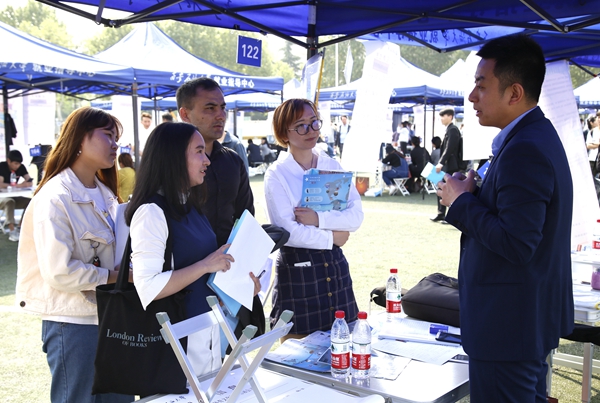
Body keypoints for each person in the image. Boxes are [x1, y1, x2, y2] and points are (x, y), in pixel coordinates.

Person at [437, 34, 574, 402]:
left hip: (508, 327)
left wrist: (460, 202)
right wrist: (474, 194)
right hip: (520, 321)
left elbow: (517, 242)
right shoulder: (531, 137)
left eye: (482, 86)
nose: (472, 97)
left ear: (514, 93)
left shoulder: (525, 149)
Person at [15, 106, 132, 403]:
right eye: (107, 136)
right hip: (74, 324)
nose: (115, 145)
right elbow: (60, 271)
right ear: (81, 138)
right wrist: (115, 277)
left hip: (112, 317)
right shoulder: (55, 197)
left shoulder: (106, 194)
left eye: (116, 138)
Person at [126, 121, 238, 378]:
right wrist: (206, 265)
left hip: (205, 331)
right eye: (198, 152)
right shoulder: (152, 212)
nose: (207, 160)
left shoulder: (190, 204)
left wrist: (235, 286)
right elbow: (148, 287)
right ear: (173, 157)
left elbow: (199, 276)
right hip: (177, 343)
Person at [264, 98, 364, 339]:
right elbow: (288, 232)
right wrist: (333, 238)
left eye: (314, 122)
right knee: (298, 351)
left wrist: (318, 219)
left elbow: (355, 217)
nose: (311, 130)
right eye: (301, 126)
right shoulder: (277, 174)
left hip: (335, 267)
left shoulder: (331, 164)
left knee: (344, 343)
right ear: (284, 133)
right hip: (298, 271)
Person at [176, 77, 254, 247]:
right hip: (185, 262)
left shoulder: (233, 161)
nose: (221, 116)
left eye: (223, 108)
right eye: (210, 108)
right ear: (185, 114)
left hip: (230, 259)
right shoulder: (170, 163)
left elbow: (247, 218)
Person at [431, 108, 461, 223]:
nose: (441, 119)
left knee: (448, 190)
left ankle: (448, 215)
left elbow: (450, 148)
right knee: (441, 187)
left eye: (443, 116)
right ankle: (441, 213)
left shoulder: (452, 129)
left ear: (450, 117)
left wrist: (441, 162)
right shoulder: (450, 129)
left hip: (451, 165)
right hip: (448, 165)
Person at [0, 149, 33, 241]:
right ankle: (12, 231)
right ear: (8, 161)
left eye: (19, 164)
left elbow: (29, 181)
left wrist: (27, 183)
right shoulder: (2, 166)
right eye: (15, 164)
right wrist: (18, 186)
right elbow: (0, 184)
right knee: (9, 202)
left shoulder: (21, 167)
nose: (17, 166)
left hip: (14, 196)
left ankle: (20, 227)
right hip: (2, 198)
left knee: (30, 202)